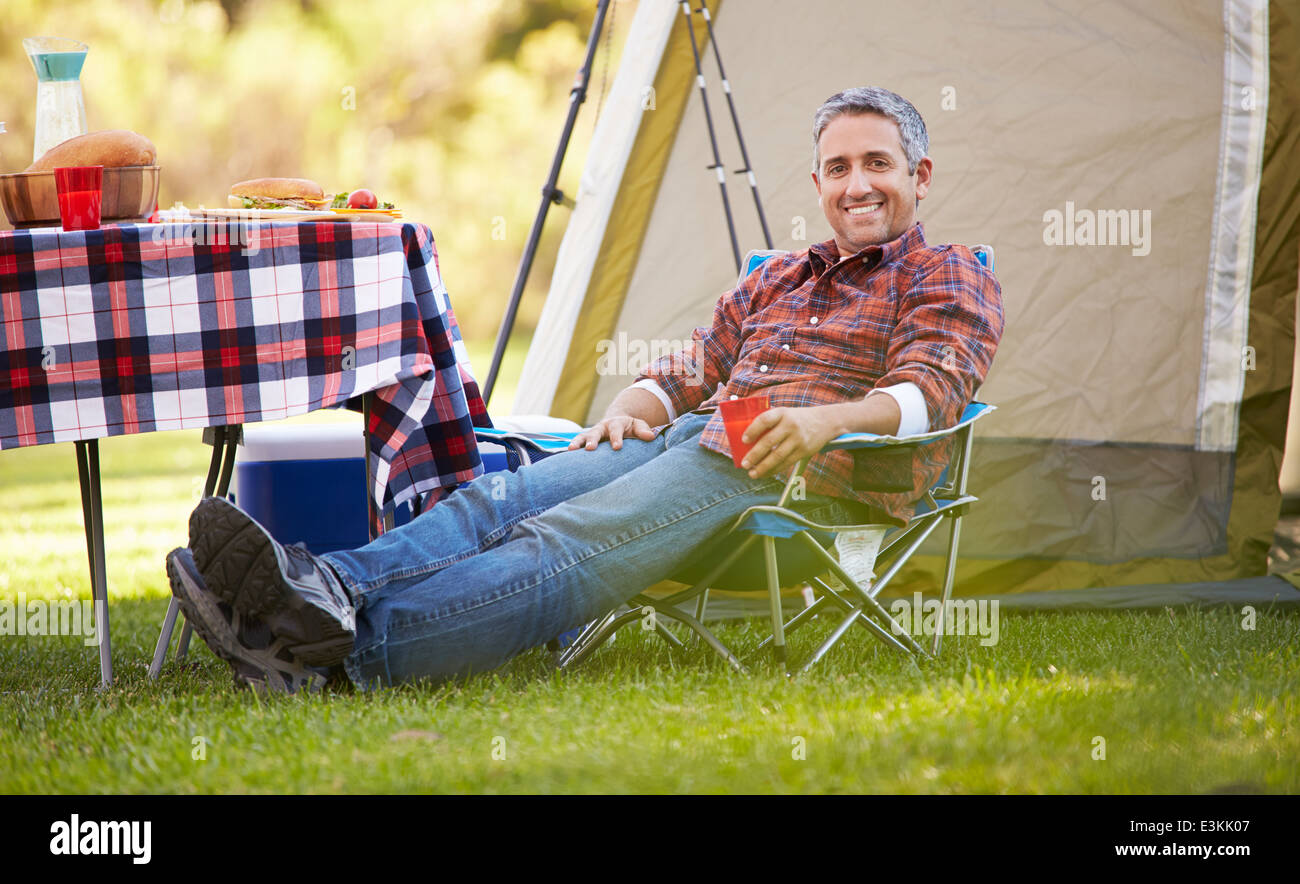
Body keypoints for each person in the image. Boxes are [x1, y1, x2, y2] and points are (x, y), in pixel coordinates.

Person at [165, 86, 1005, 693]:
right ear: (817, 183)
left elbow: (932, 390)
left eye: (878, 164)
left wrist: (824, 422)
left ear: (919, 174)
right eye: (837, 167)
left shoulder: (948, 272)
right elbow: (695, 364)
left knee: (560, 542)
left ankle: (334, 661)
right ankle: (325, 587)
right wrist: (637, 406)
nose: (857, 184)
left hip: (802, 478)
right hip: (706, 440)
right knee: (500, 498)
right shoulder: (781, 274)